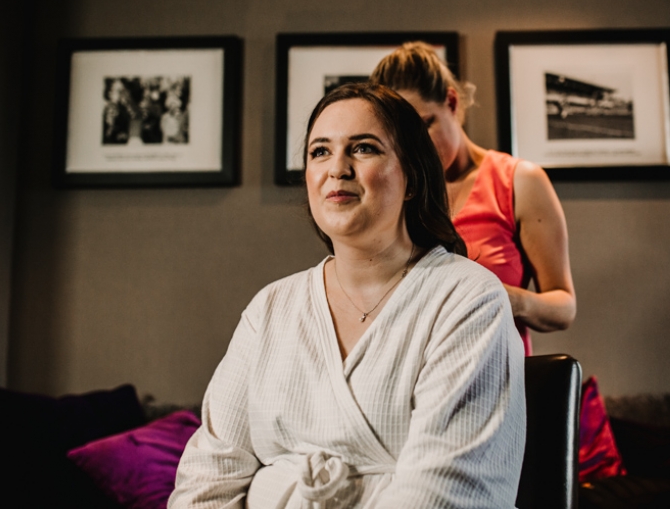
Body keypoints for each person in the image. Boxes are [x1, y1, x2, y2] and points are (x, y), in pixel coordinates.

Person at [169, 83, 525, 509]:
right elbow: (205, 481)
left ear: (411, 176)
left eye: (363, 148)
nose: (337, 168)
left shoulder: (467, 299)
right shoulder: (270, 308)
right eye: (320, 151)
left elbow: (444, 494)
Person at [369, 43, 576, 355]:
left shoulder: (519, 181)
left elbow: (564, 307)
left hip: (495, 377)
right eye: (402, 137)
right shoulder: (395, 189)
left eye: (425, 126)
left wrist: (503, 297)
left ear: (451, 103)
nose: (417, 148)